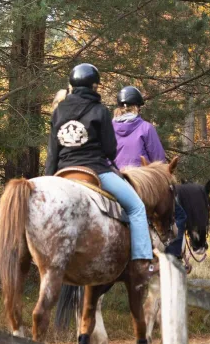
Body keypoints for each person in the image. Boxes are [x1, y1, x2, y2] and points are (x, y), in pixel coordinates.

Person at [45, 64, 153, 273]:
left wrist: (48, 179)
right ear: (94, 86)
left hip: (63, 172)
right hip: (95, 171)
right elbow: (110, 150)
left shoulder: (58, 111)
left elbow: (52, 152)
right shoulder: (100, 110)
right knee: (137, 208)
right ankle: (142, 262)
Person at [112, 85, 188, 259]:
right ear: (137, 107)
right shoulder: (145, 128)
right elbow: (158, 162)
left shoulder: (108, 128)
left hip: (115, 182)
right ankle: (173, 259)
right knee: (179, 215)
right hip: (143, 186)